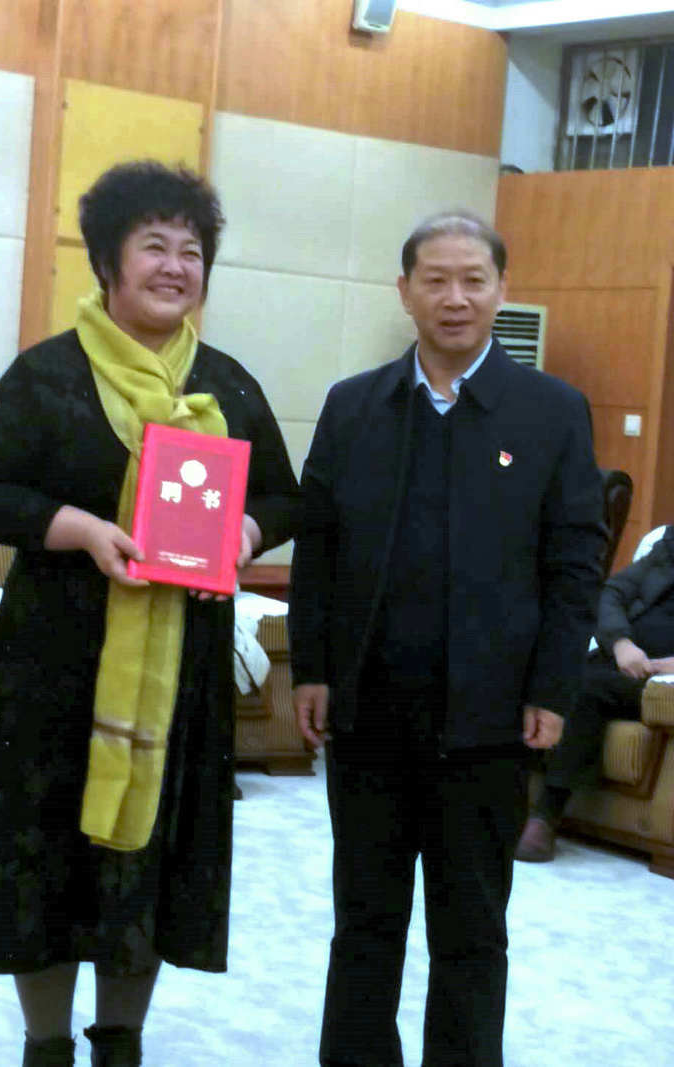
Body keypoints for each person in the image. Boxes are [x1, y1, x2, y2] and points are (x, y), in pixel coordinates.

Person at [0, 161, 300, 1067]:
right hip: (53, 662)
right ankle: (46, 1043)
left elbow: (288, 496)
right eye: (155, 246)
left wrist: (247, 529)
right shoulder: (47, 374)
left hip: (178, 666)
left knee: (148, 856)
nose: (176, 266)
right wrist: (81, 530)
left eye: (192, 250)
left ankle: (121, 1042)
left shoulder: (227, 384)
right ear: (108, 262)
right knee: (47, 852)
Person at [288, 211, 606, 1067]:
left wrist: (553, 688)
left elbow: (576, 564)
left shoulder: (551, 411)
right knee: (365, 921)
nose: (454, 297)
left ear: (502, 289)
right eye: (435, 280)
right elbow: (317, 548)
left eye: (473, 280)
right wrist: (311, 668)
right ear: (405, 292)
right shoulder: (354, 406)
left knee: (471, 928)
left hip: (490, 723)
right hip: (368, 714)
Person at [517, 525, 674, 862]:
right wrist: (620, 642)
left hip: (662, 683)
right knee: (545, 672)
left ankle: (546, 815)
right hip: (619, 660)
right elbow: (613, 592)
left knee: (587, 687)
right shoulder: (668, 547)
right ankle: (502, 798)